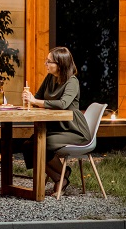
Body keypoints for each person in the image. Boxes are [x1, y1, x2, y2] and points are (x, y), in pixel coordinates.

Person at [21, 46, 91, 195]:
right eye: (46, 61)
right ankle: (61, 176)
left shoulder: (72, 81)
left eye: (49, 61)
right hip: (57, 128)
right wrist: (30, 99)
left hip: (74, 130)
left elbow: (63, 104)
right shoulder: (50, 78)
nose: (46, 64)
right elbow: (38, 97)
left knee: (43, 143)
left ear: (60, 64)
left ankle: (61, 178)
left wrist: (36, 101)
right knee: (28, 145)